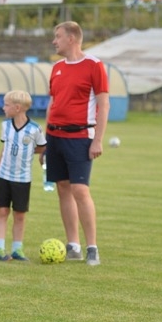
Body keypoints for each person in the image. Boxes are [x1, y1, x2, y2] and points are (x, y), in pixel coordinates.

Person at [45, 21, 109, 267]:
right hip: (55, 136)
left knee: (80, 190)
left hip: (81, 137)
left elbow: (104, 105)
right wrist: (45, 140)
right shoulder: (57, 68)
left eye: (57, 36)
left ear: (71, 38)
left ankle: (92, 247)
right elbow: (54, 103)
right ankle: (73, 245)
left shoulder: (94, 65)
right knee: (62, 187)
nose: (54, 41)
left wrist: (98, 139)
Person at [0, 90, 46, 262]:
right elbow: (5, 147)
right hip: (4, 175)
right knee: (2, 211)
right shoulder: (5, 126)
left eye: (6, 105)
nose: (3, 108)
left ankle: (17, 249)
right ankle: (0, 249)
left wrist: (31, 151)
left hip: (23, 178)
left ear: (17, 107)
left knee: (20, 214)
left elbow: (43, 147)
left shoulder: (35, 129)